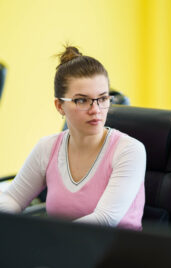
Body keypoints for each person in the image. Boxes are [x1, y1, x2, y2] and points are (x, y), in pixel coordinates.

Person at [0, 46, 146, 230]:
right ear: (59, 106)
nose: (96, 110)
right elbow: (12, 198)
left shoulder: (129, 150)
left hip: (116, 255)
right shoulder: (47, 147)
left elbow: (105, 219)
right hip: (61, 252)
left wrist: (45, 238)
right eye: (82, 100)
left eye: (102, 99)